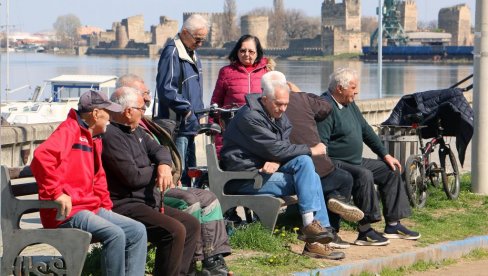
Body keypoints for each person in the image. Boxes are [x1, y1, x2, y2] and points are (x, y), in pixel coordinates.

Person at [220, 71, 345, 260]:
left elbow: (282, 145)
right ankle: (314, 234)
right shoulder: (250, 116)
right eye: (279, 104)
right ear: (265, 99)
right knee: (308, 178)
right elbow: (277, 147)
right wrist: (310, 150)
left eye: (286, 104)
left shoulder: (276, 114)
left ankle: (314, 229)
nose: (283, 109)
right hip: (244, 177)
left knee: (304, 164)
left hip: (262, 168)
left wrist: (277, 159)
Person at [114, 74, 232, 275]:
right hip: (141, 195)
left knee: (209, 198)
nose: (148, 101)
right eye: (143, 96)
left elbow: (160, 151)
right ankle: (193, 262)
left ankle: (212, 259)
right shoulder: (116, 132)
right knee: (189, 203)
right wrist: (158, 171)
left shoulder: (140, 127)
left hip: (161, 182)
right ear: (127, 106)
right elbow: (132, 175)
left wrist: (164, 165)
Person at [30, 90, 147, 276]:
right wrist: (57, 193)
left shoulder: (93, 138)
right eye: (107, 111)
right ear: (95, 114)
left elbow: (98, 179)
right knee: (115, 234)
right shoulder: (70, 129)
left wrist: (106, 207)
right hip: (66, 213)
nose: (110, 116)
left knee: (137, 231)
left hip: (88, 208)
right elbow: (41, 157)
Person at [317, 67, 421, 246]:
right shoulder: (325, 107)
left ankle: (393, 225)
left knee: (391, 169)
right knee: (364, 174)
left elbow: (366, 130)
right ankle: (366, 231)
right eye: (353, 87)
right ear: (339, 88)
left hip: (354, 160)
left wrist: (385, 154)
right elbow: (321, 146)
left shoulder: (349, 103)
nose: (357, 91)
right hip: (336, 163)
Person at [285, 86, 364, 249]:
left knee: (344, 178)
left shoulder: (286, 106)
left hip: (315, 166)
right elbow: (325, 106)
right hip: (308, 171)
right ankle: (330, 227)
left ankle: (331, 215)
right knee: (342, 179)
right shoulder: (300, 101)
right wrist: (301, 92)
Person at [156, 14, 208, 186]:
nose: (200, 44)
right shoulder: (172, 52)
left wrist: (199, 112)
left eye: (202, 40)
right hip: (177, 125)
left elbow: (195, 90)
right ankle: (177, 209)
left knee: (189, 172)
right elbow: (166, 89)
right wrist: (187, 110)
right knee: (178, 173)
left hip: (190, 125)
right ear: (185, 32)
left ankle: (190, 209)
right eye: (198, 39)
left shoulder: (192, 52)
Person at [210, 34, 275, 156]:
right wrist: (214, 127)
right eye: (243, 50)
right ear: (237, 52)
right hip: (231, 127)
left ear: (257, 53)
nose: (246, 54)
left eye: (251, 51)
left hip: (260, 128)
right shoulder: (226, 72)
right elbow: (216, 102)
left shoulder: (267, 72)